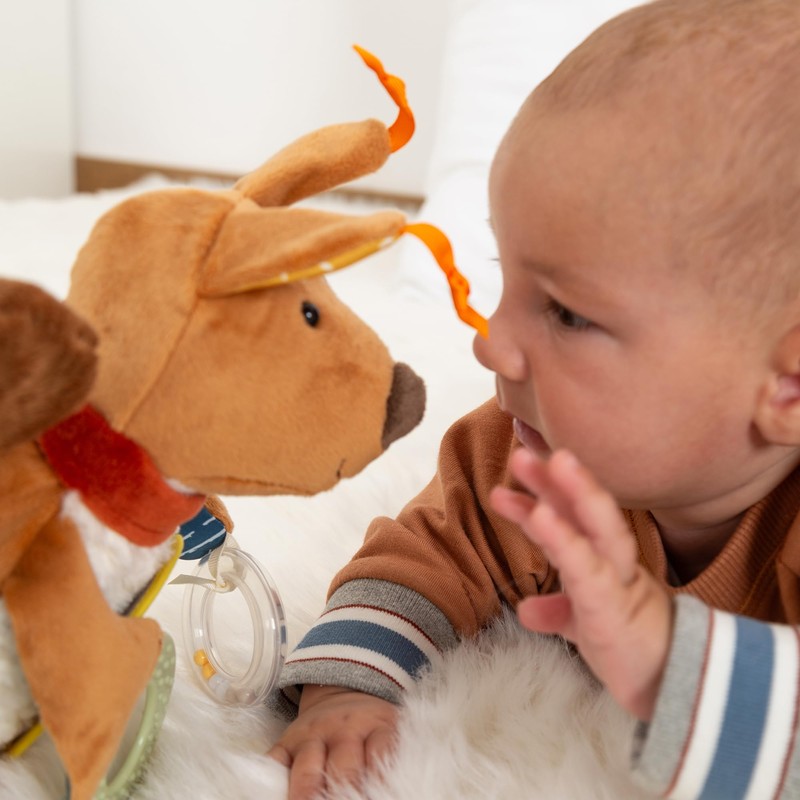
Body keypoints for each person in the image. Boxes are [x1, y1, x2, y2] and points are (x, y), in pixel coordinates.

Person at [268, 1, 800, 797]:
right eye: (504, 274)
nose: (490, 341)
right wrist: (349, 688)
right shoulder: (525, 456)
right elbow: (421, 560)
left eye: (567, 313)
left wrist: (670, 665)